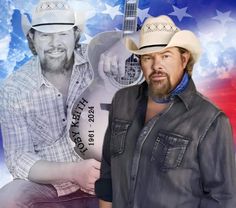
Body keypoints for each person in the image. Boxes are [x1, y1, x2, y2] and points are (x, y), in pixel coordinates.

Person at [95, 15, 236, 208]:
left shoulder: (210, 120)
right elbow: (108, 171)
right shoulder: (122, 100)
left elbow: (223, 199)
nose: (156, 66)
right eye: (148, 57)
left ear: (184, 59)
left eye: (165, 56)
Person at [0, 0, 114, 207]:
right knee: (8, 199)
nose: (55, 43)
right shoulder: (13, 88)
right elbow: (19, 158)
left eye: (62, 33)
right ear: (32, 39)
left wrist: (120, 53)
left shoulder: (96, 60)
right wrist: (74, 172)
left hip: (106, 174)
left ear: (75, 36)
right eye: (45, 35)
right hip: (50, 185)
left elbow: (135, 50)